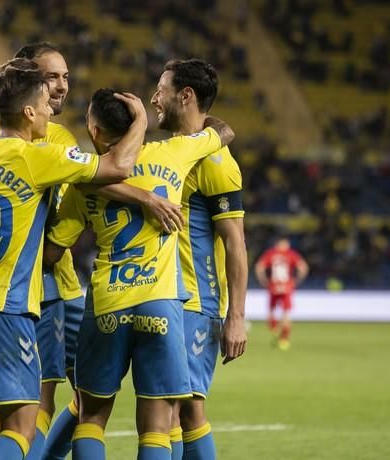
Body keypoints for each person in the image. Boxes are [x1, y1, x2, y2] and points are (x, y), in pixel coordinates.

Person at [0, 42, 181, 460]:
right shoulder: (43, 150)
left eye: (65, 78)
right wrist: (141, 129)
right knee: (26, 422)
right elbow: (111, 169)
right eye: (49, 83)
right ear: (28, 105)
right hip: (16, 301)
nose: (56, 96)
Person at [44, 88, 235, 460]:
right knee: (157, 425)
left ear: (94, 130)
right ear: (137, 125)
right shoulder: (174, 153)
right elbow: (224, 132)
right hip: (160, 306)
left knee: (91, 416)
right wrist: (194, 121)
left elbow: (53, 251)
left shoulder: (85, 179)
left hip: (107, 304)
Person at [152, 59, 249, 460]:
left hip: (195, 301)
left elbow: (236, 244)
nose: (154, 97)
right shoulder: (176, 152)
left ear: (185, 96)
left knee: (182, 411)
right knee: (174, 410)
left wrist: (236, 317)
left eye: (161, 88)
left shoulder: (215, 162)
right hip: (168, 296)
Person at [255, 236, 308, 350]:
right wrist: (297, 280)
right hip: (287, 287)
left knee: (271, 311)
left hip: (273, 286)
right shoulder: (291, 254)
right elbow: (303, 267)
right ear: (284, 243)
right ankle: (284, 339)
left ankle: (274, 329)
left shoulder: (270, 253)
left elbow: (259, 267)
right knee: (286, 313)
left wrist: (263, 280)